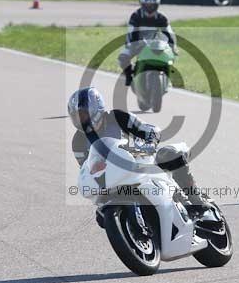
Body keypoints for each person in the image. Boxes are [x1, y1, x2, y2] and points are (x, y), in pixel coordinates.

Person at [68, 86, 212, 215]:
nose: (80, 120)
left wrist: (149, 144)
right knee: (101, 216)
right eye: (76, 116)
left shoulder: (117, 117)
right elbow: (86, 169)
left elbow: (150, 130)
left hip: (141, 161)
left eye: (83, 115)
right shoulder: (78, 142)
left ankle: (195, 198)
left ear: (96, 108)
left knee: (171, 155)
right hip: (113, 178)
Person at [118, 0, 176, 86]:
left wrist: (172, 46)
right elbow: (131, 32)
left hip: (154, 44)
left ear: (157, 5)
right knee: (122, 57)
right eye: (147, 6)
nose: (150, 8)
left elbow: (169, 32)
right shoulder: (136, 16)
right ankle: (129, 76)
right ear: (142, 5)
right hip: (136, 43)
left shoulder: (161, 18)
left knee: (170, 56)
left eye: (152, 6)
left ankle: (167, 78)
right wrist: (132, 45)